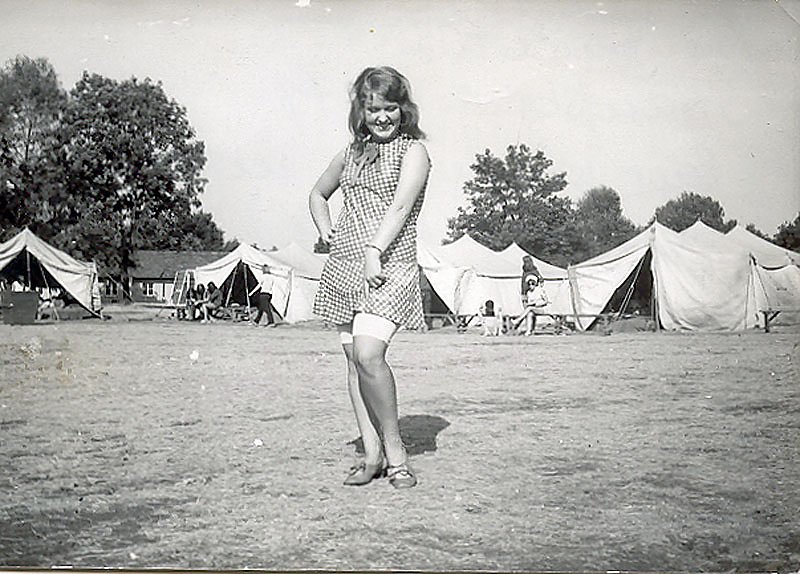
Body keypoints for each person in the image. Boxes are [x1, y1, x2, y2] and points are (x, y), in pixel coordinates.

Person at [309, 66, 431, 489]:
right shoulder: (350, 153)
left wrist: (374, 251)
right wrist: (325, 228)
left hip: (388, 262)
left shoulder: (414, 151)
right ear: (360, 110)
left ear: (403, 109)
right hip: (345, 264)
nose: (382, 117)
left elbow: (399, 209)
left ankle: (396, 453)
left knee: (368, 355)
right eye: (373, 108)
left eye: (390, 108)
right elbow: (317, 193)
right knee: (352, 360)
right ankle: (372, 453)